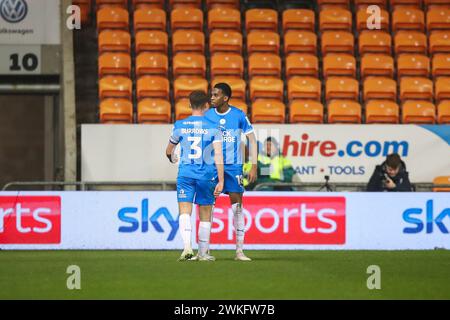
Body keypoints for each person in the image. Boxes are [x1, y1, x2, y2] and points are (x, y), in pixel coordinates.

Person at [165, 91, 224, 261]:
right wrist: (221, 180)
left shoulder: (179, 125)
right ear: (207, 105)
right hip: (207, 175)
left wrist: (172, 157)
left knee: (184, 211)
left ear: (189, 105)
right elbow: (218, 155)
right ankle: (203, 253)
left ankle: (186, 248)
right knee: (205, 212)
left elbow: (169, 150)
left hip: (185, 174)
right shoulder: (214, 127)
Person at [205, 83, 258, 261]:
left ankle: (239, 251)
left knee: (237, 208)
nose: (211, 97)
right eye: (211, 94)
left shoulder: (238, 115)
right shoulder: (207, 115)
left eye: (215, 95)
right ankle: (204, 250)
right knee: (208, 207)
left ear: (225, 98)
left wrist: (254, 164)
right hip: (212, 167)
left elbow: (252, 138)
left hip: (234, 167)